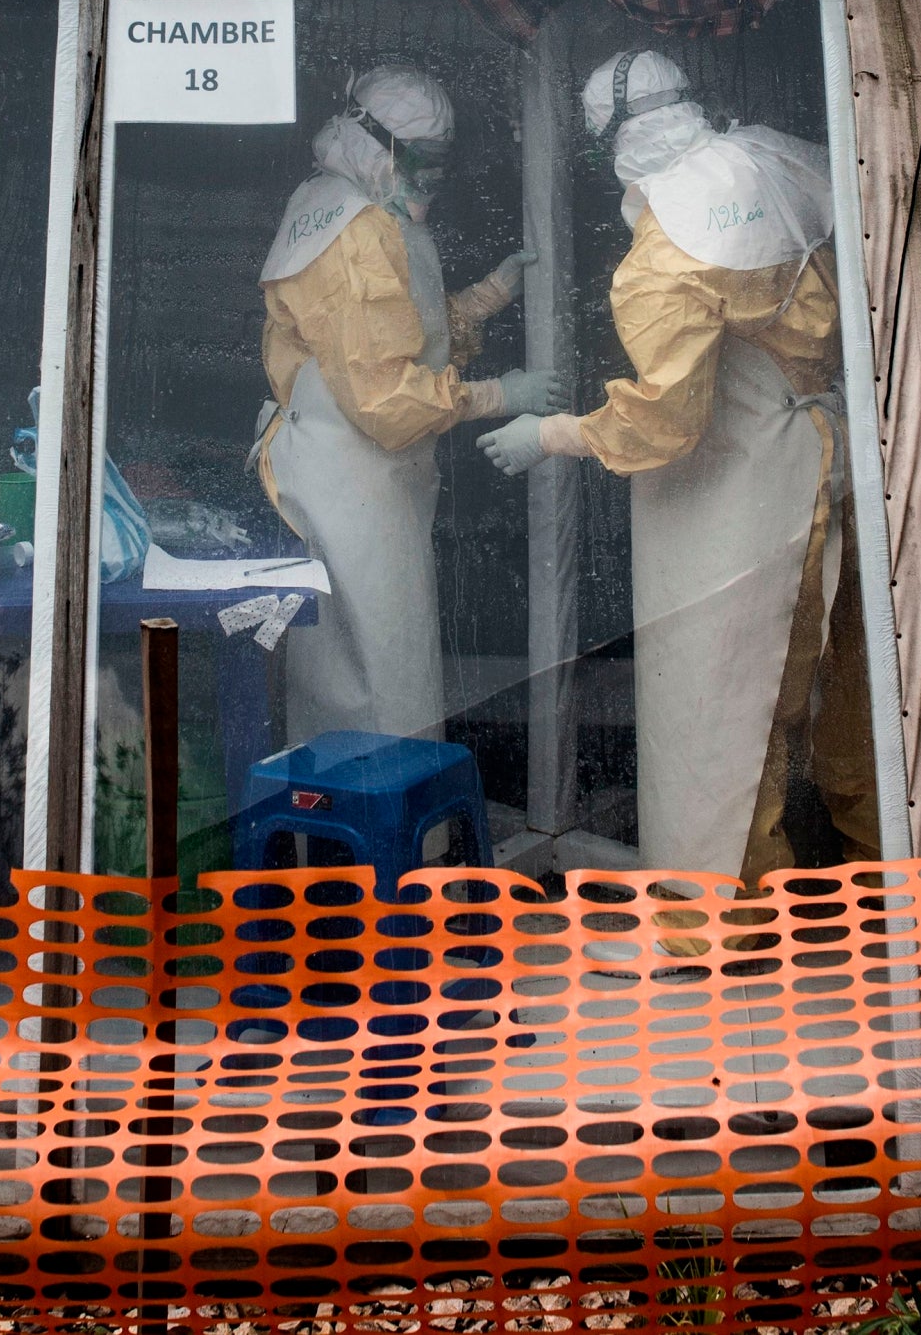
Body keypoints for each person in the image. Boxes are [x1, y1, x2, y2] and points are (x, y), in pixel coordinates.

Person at [477, 50, 880, 881]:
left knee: (724, 711)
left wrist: (551, 432)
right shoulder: (773, 154)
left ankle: (718, 922)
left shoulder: (665, 253)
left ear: (610, 147)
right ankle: (896, 887)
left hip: (745, 498)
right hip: (834, 462)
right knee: (851, 701)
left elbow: (664, 422)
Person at [256, 64, 557, 744]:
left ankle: (356, 838)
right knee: (381, 687)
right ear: (378, 145)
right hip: (352, 484)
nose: (433, 178)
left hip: (359, 482)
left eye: (441, 161)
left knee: (358, 675)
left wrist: (485, 298)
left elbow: (393, 332)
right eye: (422, 161)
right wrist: (498, 395)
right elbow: (387, 396)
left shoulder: (351, 203)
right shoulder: (354, 232)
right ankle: (384, 846)